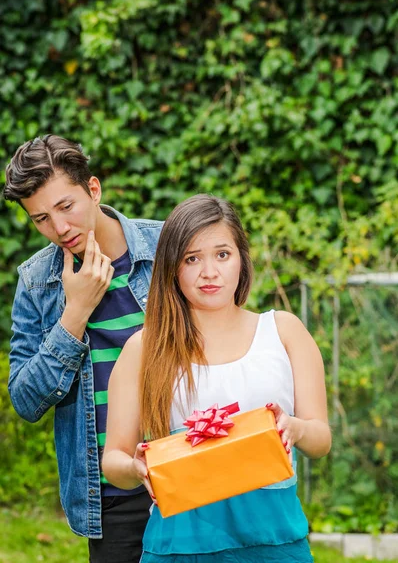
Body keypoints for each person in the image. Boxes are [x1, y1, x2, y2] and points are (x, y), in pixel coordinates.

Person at [102, 194, 332, 563]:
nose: (209, 272)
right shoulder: (143, 348)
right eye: (192, 259)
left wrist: (296, 429)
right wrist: (136, 467)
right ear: (172, 268)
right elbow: (113, 459)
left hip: (276, 543)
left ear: (241, 258)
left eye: (222, 254)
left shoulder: (284, 331)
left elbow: (320, 440)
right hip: (178, 546)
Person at [3, 135, 162, 563]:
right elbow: (25, 399)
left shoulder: (169, 248)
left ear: (93, 189)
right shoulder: (37, 282)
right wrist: (75, 314)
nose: (59, 229)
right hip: (112, 493)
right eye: (40, 219)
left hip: (187, 464)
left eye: (65, 207)